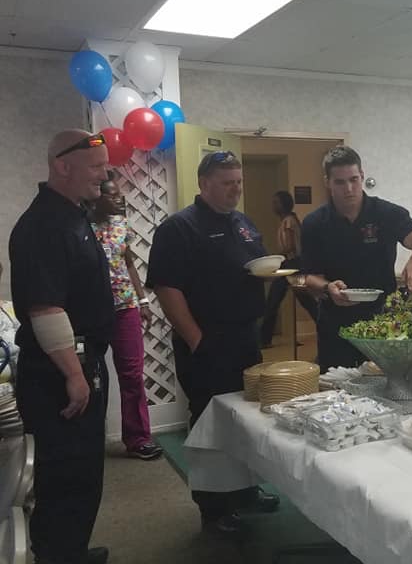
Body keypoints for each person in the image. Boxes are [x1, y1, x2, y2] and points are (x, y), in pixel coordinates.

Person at [146, 151, 279, 536]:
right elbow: (167, 288)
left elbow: (254, 264)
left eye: (238, 181)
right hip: (206, 341)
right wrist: (196, 339)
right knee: (210, 423)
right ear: (204, 184)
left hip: (244, 337)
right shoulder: (179, 228)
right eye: (227, 182)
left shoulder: (243, 223)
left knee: (245, 419)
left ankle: (245, 492)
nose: (235, 189)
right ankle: (214, 510)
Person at [9, 129, 112, 564]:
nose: (104, 175)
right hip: (58, 377)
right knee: (63, 477)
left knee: (83, 473)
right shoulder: (44, 224)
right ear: (61, 166)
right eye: (96, 167)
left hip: (79, 367)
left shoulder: (73, 214)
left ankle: (73, 550)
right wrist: (74, 374)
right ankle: (58, 556)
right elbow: (46, 309)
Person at [297, 146, 412, 370]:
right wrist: (327, 286)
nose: (349, 189)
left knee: (387, 385)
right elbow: (310, 277)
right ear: (327, 182)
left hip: (384, 320)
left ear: (362, 176)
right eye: (340, 182)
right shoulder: (315, 223)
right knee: (337, 393)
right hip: (336, 325)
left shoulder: (387, 213)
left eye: (353, 179)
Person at [90, 176, 164, 460]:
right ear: (97, 196)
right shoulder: (82, 228)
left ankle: (138, 439)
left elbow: (129, 262)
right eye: (112, 194)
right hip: (93, 310)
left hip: (126, 308)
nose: (120, 199)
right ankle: (89, 439)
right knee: (92, 376)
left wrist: (143, 299)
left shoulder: (121, 225)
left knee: (132, 375)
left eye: (120, 194)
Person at [261, 190, 318, 348]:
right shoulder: (289, 220)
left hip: (291, 264)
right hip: (293, 264)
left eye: (276, 202)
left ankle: (264, 340)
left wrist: (277, 258)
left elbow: (290, 246)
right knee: (306, 301)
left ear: (284, 204)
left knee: (274, 301)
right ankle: (264, 339)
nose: (273, 206)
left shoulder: (288, 221)